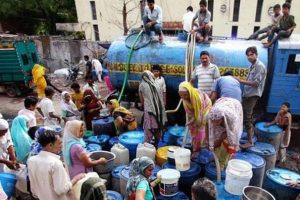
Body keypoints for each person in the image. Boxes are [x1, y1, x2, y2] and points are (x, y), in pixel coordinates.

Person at [28, 129, 85, 200]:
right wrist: (75, 179)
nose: (61, 146)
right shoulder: (55, 163)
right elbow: (61, 190)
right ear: (50, 145)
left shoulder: (31, 161)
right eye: (59, 143)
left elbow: (33, 190)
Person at [237, 46, 267, 149]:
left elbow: (255, 83)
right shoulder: (252, 66)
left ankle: (250, 141)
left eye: (251, 54)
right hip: (247, 94)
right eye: (248, 55)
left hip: (252, 95)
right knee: (247, 117)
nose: (249, 57)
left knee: (247, 118)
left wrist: (240, 80)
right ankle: (250, 137)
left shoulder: (260, 66)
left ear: (256, 54)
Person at [178, 81, 212, 158]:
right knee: (192, 127)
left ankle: (198, 148)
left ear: (190, 92)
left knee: (200, 128)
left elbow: (199, 114)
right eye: (181, 95)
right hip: (197, 111)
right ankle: (195, 142)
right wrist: (191, 121)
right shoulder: (185, 100)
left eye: (185, 95)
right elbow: (191, 113)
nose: (183, 97)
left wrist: (196, 122)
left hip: (205, 107)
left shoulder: (197, 97)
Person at [208, 97, 243, 170]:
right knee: (216, 138)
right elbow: (210, 131)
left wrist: (218, 141)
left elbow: (231, 134)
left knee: (228, 142)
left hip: (235, 106)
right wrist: (211, 143)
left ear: (222, 118)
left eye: (217, 121)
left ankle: (224, 162)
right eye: (212, 121)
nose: (214, 124)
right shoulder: (211, 115)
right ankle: (216, 157)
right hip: (222, 103)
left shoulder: (231, 118)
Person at [139, 70, 167, 147]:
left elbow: (142, 100)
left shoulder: (142, 85)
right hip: (160, 111)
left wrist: (144, 105)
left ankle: (146, 146)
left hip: (149, 111)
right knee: (158, 127)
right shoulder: (157, 84)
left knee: (148, 128)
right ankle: (156, 144)